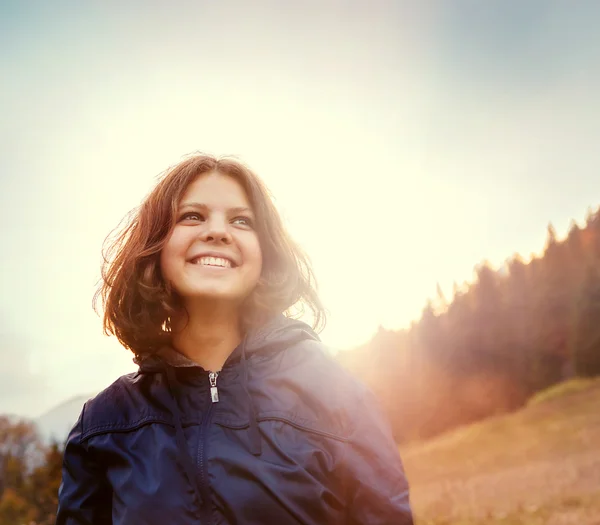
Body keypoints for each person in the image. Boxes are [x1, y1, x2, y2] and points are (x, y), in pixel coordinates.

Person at [56, 154, 414, 524]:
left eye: (241, 221)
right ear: (156, 245)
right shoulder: (103, 423)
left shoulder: (341, 399)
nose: (217, 231)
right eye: (192, 215)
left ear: (266, 253)